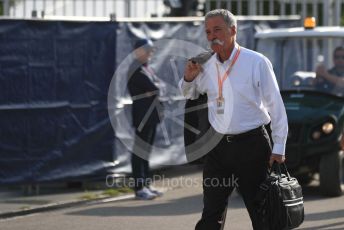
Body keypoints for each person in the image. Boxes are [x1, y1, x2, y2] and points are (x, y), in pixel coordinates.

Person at [179, 9, 288, 229]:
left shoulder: (256, 62)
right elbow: (188, 93)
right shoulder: (205, 63)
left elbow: (276, 105)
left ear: (233, 30)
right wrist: (188, 78)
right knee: (211, 212)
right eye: (208, 32)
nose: (211, 36)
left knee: (261, 212)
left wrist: (279, 146)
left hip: (252, 146)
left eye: (217, 29)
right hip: (217, 148)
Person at [127, 38, 163, 200]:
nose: (150, 53)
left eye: (151, 50)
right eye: (147, 50)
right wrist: (154, 89)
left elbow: (159, 87)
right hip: (142, 116)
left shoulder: (146, 68)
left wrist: (155, 89)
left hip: (152, 114)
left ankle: (146, 184)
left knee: (146, 151)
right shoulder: (135, 69)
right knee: (139, 151)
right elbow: (154, 88)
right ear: (138, 52)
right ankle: (139, 187)